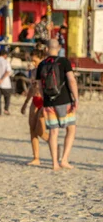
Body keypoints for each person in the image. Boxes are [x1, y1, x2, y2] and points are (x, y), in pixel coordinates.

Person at [36, 39, 78, 170]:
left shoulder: (42, 64)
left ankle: (54, 163)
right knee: (70, 129)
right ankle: (64, 159)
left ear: (47, 49)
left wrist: (44, 100)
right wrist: (76, 98)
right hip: (65, 101)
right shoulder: (64, 61)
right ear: (59, 47)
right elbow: (71, 80)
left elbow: (38, 85)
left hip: (49, 101)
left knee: (53, 132)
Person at [21, 49, 49, 166]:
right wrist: (25, 103)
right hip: (34, 100)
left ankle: (53, 145)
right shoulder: (33, 72)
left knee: (40, 130)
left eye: (34, 60)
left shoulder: (47, 70)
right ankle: (36, 157)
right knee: (32, 130)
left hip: (44, 101)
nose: (33, 62)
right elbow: (32, 88)